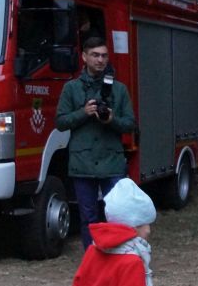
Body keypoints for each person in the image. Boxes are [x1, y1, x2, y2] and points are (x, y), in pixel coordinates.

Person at [56, 36, 137, 250]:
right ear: (84, 57)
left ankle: (117, 257)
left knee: (117, 214)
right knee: (88, 217)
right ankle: (92, 258)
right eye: (95, 55)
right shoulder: (71, 88)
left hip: (112, 161)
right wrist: (83, 113)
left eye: (104, 56)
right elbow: (60, 122)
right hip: (82, 162)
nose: (100, 60)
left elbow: (130, 124)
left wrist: (111, 120)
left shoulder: (118, 89)